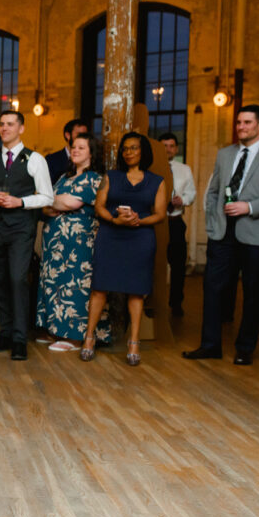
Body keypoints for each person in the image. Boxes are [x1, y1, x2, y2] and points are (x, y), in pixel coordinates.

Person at [80, 132, 167, 367]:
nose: (128, 153)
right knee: (99, 288)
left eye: (134, 148)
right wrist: (115, 220)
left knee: (136, 291)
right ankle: (89, 338)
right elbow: (99, 206)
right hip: (111, 235)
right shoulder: (111, 176)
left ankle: (134, 342)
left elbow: (160, 214)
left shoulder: (157, 181)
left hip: (140, 239)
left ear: (143, 151)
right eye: (125, 149)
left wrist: (138, 220)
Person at [183, 105, 259, 366]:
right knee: (212, 288)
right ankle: (210, 345)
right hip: (222, 233)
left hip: (255, 234)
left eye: (248, 122)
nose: (241, 127)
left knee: (253, 292)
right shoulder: (225, 153)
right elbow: (214, 190)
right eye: (239, 122)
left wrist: (249, 207)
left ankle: (245, 348)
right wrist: (213, 221)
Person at [0, 110, 53, 361]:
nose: (4, 128)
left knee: (18, 279)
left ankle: (20, 339)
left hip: (21, 228)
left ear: (21, 128)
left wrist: (19, 202)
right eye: (1, 124)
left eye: (10, 124)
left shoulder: (35, 159)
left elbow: (47, 197)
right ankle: (5, 334)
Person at [34, 133, 104, 351]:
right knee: (53, 284)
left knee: (75, 283)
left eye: (81, 148)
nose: (75, 151)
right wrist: (51, 202)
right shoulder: (64, 177)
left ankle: (75, 337)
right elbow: (45, 205)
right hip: (54, 242)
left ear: (92, 152)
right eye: (73, 147)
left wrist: (51, 201)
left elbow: (71, 203)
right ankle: (55, 330)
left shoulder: (94, 178)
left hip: (78, 243)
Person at [159, 132, 195, 317]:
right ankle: (152, 302)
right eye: (164, 146)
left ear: (177, 148)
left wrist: (184, 199)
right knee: (154, 265)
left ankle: (176, 303)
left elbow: (192, 192)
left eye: (171, 146)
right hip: (156, 223)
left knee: (178, 266)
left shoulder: (184, 169)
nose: (168, 149)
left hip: (175, 222)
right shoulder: (151, 168)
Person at [45, 118, 89, 184]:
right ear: (68, 135)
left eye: (85, 135)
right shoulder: (51, 160)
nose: (82, 138)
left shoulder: (89, 158)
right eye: (79, 134)